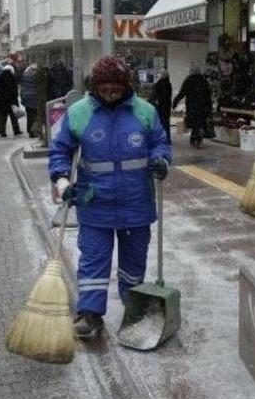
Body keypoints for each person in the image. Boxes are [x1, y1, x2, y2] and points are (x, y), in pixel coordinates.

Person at [48, 55, 171, 337]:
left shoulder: (145, 112)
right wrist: (62, 178)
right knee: (93, 260)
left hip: (136, 202)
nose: (110, 94)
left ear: (126, 85)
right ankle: (90, 314)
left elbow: (159, 143)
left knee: (134, 261)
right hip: (95, 203)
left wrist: (161, 160)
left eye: (115, 88)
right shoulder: (79, 113)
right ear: (95, 87)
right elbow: (60, 150)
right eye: (104, 89)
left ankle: (133, 305)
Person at [172, 65, 212, 148]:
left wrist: (175, 102)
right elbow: (208, 95)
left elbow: (182, 93)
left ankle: (195, 139)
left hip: (191, 106)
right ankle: (197, 139)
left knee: (194, 123)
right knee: (199, 122)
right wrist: (209, 107)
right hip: (202, 106)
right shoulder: (203, 81)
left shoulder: (188, 80)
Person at [0, 64, 22, 138]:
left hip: (1, 101)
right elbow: (15, 91)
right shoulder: (13, 78)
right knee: (14, 117)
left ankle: (2, 132)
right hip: (11, 101)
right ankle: (16, 130)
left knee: (2, 118)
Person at [149, 70, 172, 144]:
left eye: (159, 74)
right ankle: (168, 138)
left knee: (161, 123)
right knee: (166, 123)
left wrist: (155, 100)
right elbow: (167, 96)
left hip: (160, 106)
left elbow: (155, 95)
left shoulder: (159, 84)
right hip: (167, 106)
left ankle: (162, 138)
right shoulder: (168, 84)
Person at [19, 62, 41, 138]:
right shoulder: (37, 76)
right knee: (36, 116)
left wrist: (22, 97)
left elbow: (22, 87)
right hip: (35, 98)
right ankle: (34, 131)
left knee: (29, 115)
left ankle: (29, 130)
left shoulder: (25, 75)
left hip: (27, 98)